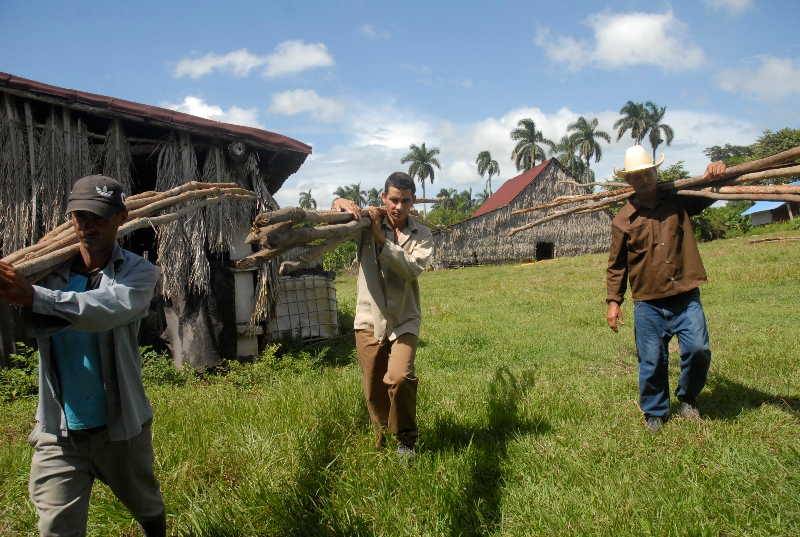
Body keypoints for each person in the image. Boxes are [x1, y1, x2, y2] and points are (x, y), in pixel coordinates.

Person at [0, 175, 166, 536]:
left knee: (145, 503)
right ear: (71, 219)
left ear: (121, 218)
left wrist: (36, 298)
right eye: (81, 217)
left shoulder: (138, 273)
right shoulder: (45, 273)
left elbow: (106, 309)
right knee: (55, 524)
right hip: (59, 430)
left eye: (100, 217)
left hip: (120, 425)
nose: (89, 226)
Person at [605, 146, 726, 433]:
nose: (644, 179)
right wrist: (613, 301)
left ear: (655, 172)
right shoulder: (623, 219)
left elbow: (712, 194)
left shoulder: (680, 201)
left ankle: (688, 398)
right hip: (648, 303)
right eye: (637, 176)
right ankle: (655, 412)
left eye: (647, 173)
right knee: (651, 360)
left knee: (698, 350)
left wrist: (717, 173)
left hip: (685, 296)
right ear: (628, 181)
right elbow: (616, 265)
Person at [332, 172, 433, 460]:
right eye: (393, 200)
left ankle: (405, 440)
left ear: (413, 202)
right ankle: (380, 434)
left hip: (404, 319)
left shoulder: (422, 235)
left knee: (399, 377)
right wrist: (339, 201)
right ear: (384, 198)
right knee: (373, 386)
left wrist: (381, 240)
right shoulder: (366, 223)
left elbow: (410, 269)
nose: (398, 207)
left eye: (405, 201)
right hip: (369, 317)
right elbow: (335, 216)